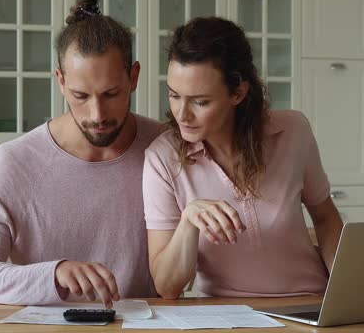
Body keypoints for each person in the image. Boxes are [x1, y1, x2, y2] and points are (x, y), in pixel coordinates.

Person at [0, 0, 161, 307]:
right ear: (61, 82)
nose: (97, 114)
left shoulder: (164, 147)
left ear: (133, 78)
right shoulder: (15, 161)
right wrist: (54, 274)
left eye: (111, 94)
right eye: (80, 95)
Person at [143, 17, 344, 299]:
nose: (182, 114)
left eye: (200, 101)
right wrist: (189, 220)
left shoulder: (294, 132)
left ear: (238, 92)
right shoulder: (161, 159)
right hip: (226, 317)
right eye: (174, 96)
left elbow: (325, 219)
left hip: (310, 304)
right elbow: (167, 287)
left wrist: (345, 288)